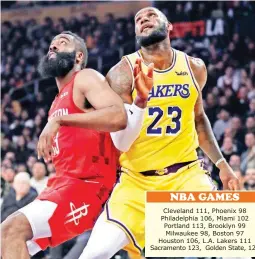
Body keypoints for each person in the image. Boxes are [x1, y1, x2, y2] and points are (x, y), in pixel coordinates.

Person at [79, 7, 240, 259]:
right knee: (93, 254)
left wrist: (221, 163)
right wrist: (141, 101)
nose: (143, 19)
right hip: (136, 183)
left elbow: (198, 119)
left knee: (234, 245)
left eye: (151, 15)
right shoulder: (122, 74)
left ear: (169, 26)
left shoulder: (194, 67)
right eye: (138, 20)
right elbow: (121, 141)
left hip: (186, 175)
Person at [1, 30, 139, 259]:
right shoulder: (56, 102)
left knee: (10, 229)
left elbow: (118, 117)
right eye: (51, 45)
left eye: (62, 43)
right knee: (5, 243)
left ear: (78, 57)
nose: (53, 48)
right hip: (62, 184)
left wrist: (59, 121)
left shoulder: (85, 78)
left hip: (88, 187)